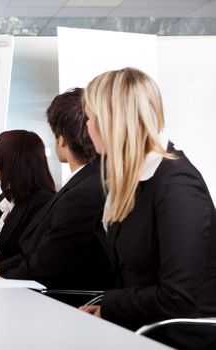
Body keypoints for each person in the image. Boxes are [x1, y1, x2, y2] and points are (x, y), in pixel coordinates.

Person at [80, 67, 216, 349]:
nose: (87, 127)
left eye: (89, 118)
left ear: (110, 122)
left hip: (177, 335)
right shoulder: (133, 179)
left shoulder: (177, 186)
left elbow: (178, 298)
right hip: (141, 325)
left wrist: (111, 307)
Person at [0, 88, 113, 292]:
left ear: (61, 139)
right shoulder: (91, 182)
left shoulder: (83, 192)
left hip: (62, 303)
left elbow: (46, 265)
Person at [0, 130, 55, 272]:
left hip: (21, 286)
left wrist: (1, 268)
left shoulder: (42, 202)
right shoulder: (5, 198)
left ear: (11, 162)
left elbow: (33, 254)